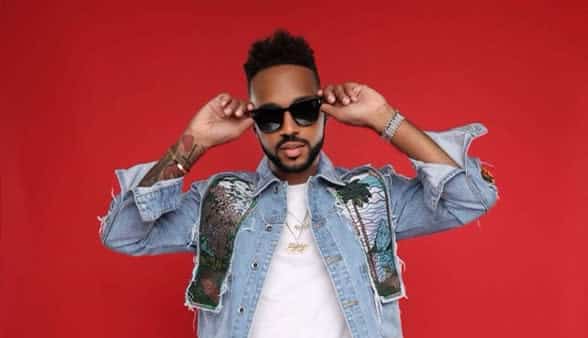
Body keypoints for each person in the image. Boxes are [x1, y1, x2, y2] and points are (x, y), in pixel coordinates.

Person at [98, 28, 499, 338]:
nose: (289, 128)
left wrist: (385, 118)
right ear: (254, 127)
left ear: (324, 113)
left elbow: (468, 199)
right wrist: (193, 142)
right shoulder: (219, 203)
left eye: (304, 110)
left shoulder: (371, 196)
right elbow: (124, 233)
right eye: (271, 117)